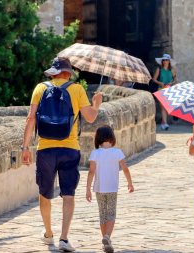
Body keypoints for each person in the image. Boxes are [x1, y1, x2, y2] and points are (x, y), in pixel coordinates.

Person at [21, 57, 103, 252]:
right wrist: (96, 104)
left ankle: (48, 233)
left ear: (53, 72)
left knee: (44, 192)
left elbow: (31, 119)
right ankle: (64, 238)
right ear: (68, 72)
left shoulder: (40, 88)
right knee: (68, 193)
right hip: (69, 147)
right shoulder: (76, 89)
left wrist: (25, 148)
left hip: (45, 148)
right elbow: (90, 118)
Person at [86, 125, 134, 253]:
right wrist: (130, 183)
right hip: (112, 188)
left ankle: (105, 241)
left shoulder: (95, 153)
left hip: (99, 188)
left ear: (98, 139)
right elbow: (125, 169)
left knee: (102, 214)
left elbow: (91, 172)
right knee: (111, 213)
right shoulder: (117, 152)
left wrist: (88, 189)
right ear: (112, 137)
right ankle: (107, 237)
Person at [152, 53, 177, 131]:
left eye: (167, 60)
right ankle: (165, 123)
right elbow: (154, 79)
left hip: (169, 89)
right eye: (164, 60)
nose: (165, 61)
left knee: (167, 107)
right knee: (163, 107)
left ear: (169, 61)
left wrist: (171, 83)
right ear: (162, 61)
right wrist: (160, 83)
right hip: (161, 89)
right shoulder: (159, 69)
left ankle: (164, 123)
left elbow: (174, 79)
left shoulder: (172, 69)